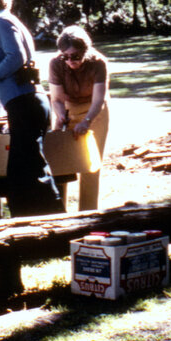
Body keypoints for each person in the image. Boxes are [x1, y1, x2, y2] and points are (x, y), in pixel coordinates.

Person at [0, 0, 66, 217]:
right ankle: (31, 217)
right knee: (24, 163)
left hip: (25, 102)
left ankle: (50, 216)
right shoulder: (10, 20)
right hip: (24, 101)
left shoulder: (2, 21)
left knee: (28, 164)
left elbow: (17, 57)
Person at [49, 24, 110, 210]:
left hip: (94, 111)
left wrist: (86, 122)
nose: (69, 61)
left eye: (75, 56)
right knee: (61, 163)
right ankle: (59, 211)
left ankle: (88, 212)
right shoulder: (56, 63)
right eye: (65, 56)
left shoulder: (98, 63)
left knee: (90, 164)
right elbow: (57, 98)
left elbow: (99, 100)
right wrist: (60, 116)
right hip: (68, 108)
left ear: (85, 51)